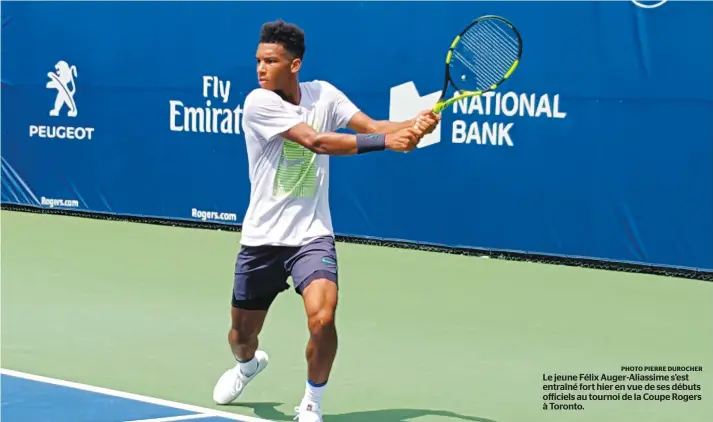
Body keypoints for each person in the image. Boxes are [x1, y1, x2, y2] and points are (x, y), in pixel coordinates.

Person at [212, 19, 441, 422]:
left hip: (311, 235)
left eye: (271, 61)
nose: (260, 69)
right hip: (262, 238)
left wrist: (413, 125)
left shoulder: (325, 95)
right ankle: (248, 365)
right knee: (241, 336)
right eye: (258, 60)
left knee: (323, 318)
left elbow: (371, 128)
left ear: (295, 64)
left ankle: (312, 402)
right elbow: (317, 141)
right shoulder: (258, 102)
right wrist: (390, 141)